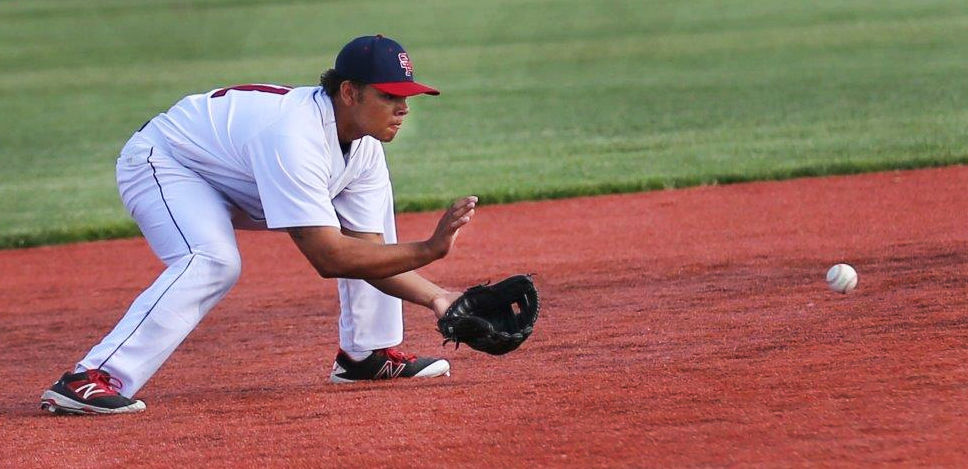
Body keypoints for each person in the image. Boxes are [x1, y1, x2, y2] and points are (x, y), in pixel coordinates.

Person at [40, 35, 477, 415]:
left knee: (372, 237)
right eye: (388, 96)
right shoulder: (295, 135)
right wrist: (430, 249)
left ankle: (367, 353)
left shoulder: (362, 148)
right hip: (165, 162)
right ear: (349, 92)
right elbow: (330, 257)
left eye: (406, 97)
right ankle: (89, 379)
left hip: (230, 171)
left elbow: (369, 253)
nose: (402, 108)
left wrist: (440, 297)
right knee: (213, 260)